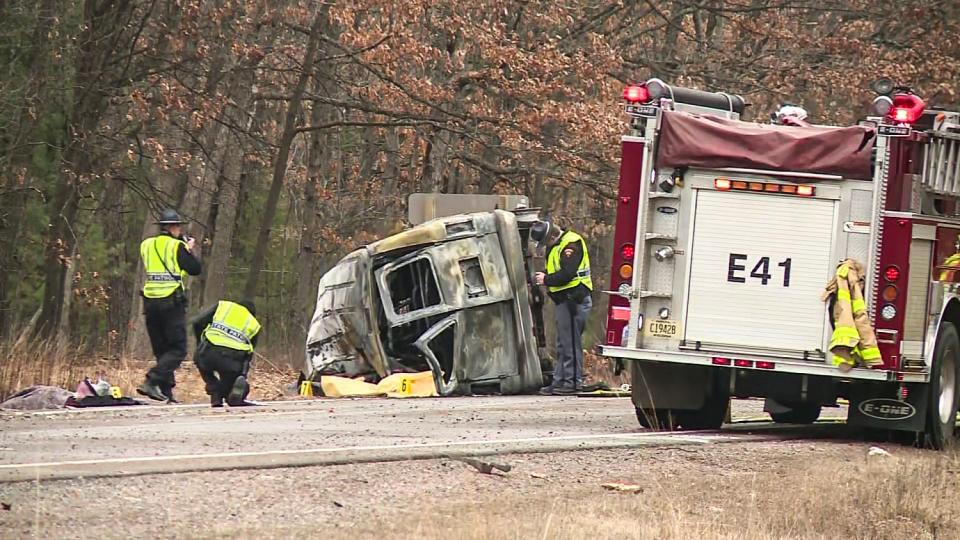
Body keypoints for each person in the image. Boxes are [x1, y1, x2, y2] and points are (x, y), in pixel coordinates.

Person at [136, 208, 201, 403]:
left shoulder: (146, 245)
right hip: (170, 302)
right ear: (173, 227)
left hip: (150, 302)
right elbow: (194, 269)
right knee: (178, 349)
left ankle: (166, 392)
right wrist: (188, 249)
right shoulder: (176, 247)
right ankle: (152, 380)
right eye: (178, 227)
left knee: (163, 350)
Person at [531, 217, 593, 395]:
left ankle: (572, 382)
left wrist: (546, 279)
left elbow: (567, 274)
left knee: (571, 343)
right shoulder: (558, 245)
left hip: (574, 299)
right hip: (564, 300)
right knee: (562, 343)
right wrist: (543, 275)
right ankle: (559, 381)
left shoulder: (571, 245)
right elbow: (556, 270)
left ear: (551, 237)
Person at [191, 299, 261, 407]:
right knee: (230, 385)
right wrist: (242, 375)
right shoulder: (254, 324)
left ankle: (215, 392)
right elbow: (248, 355)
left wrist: (200, 343)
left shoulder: (224, 307)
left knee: (201, 361)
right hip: (232, 361)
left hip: (209, 353)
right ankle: (228, 393)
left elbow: (197, 322)